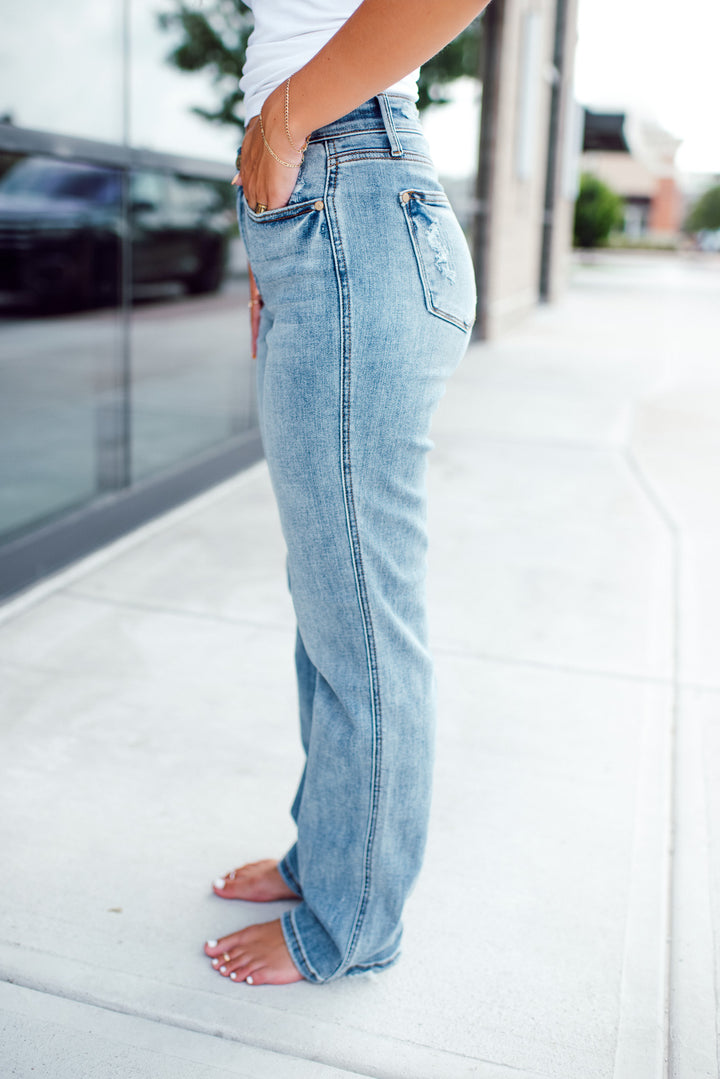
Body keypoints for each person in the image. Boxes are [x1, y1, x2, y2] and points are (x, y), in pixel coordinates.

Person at [204, 0, 490, 986]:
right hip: (327, 216)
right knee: (334, 600)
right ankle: (324, 861)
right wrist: (273, 220)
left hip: (349, 201)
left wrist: (284, 124)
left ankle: (354, 919)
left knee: (363, 615)